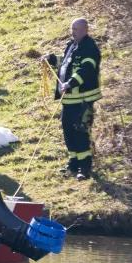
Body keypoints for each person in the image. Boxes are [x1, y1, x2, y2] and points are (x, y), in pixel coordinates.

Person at [43, 18, 102, 180]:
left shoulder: (90, 48)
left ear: (85, 30)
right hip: (68, 100)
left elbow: (86, 69)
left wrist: (70, 82)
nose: (73, 32)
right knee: (68, 131)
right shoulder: (72, 45)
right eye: (72, 29)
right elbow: (67, 63)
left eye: (76, 29)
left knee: (81, 132)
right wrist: (52, 59)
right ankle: (73, 163)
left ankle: (85, 167)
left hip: (83, 100)